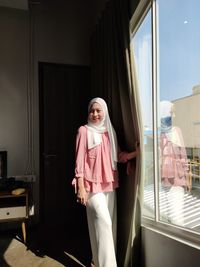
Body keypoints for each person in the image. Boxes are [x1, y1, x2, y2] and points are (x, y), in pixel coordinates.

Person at [72, 97, 139, 267]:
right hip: (91, 187)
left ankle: (96, 261)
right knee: (104, 223)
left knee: (108, 228)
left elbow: (119, 156)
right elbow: (79, 162)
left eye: (98, 110)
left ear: (104, 112)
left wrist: (136, 154)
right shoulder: (83, 131)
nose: (94, 114)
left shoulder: (110, 132)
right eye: (92, 111)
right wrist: (80, 187)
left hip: (109, 185)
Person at [160, 100, 190, 226]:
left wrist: (188, 178)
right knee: (166, 218)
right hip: (162, 182)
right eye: (172, 112)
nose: (174, 116)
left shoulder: (177, 131)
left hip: (177, 179)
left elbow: (183, 154)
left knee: (177, 218)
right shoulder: (158, 133)